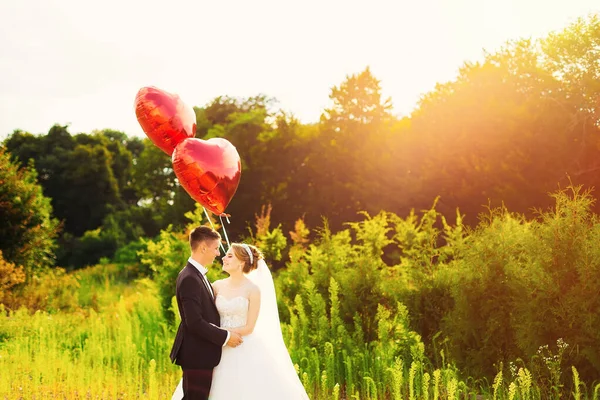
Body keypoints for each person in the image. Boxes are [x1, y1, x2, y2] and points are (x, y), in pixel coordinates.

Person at [172, 242, 310, 399]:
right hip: (215, 344)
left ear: (242, 263)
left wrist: (228, 336)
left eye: (230, 256)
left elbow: (250, 327)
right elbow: (197, 311)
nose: (223, 258)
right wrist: (221, 336)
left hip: (242, 344)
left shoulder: (253, 290)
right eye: (225, 254)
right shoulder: (216, 286)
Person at [170, 226, 244, 400]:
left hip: (200, 352)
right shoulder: (189, 277)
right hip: (196, 353)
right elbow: (194, 322)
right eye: (216, 248)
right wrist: (226, 337)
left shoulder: (197, 275)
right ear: (203, 248)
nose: (218, 253)